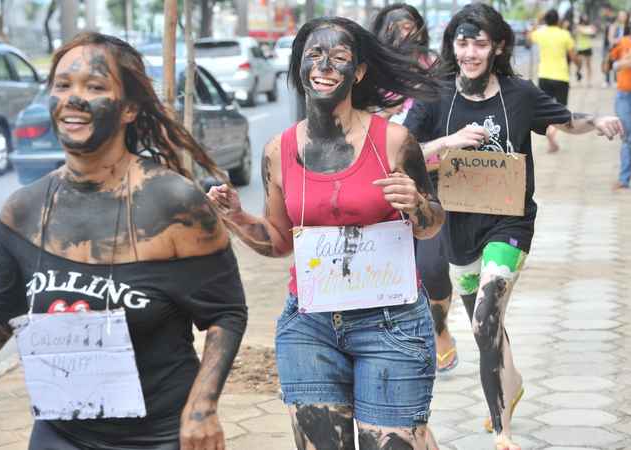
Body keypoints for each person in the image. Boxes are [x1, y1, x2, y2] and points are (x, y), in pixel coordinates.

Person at [0, 32, 248, 450]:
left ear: (129, 108)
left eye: (94, 87)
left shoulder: (174, 205)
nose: (74, 98)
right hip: (61, 433)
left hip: (161, 436)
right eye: (63, 85)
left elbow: (226, 313)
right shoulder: (24, 211)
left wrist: (202, 407)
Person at [209, 16, 444, 450]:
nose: (324, 66)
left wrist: (416, 204)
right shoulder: (277, 151)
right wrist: (238, 219)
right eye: (314, 55)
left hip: (390, 322)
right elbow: (279, 241)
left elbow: (431, 226)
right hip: (310, 325)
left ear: (357, 72)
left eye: (339, 58)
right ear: (299, 64)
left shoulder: (394, 141)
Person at [404, 4, 623, 450]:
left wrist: (596, 120)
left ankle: (501, 430)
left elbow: (564, 119)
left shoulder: (518, 94)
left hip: (510, 222)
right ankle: (512, 381)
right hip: (456, 227)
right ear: (452, 46)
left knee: (486, 315)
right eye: (462, 43)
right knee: (488, 328)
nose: (469, 52)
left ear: (498, 46)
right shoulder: (435, 94)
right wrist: (448, 142)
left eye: (479, 43)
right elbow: (405, 152)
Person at [371, 4, 458, 373]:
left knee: (432, 265)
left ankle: (439, 328)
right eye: (395, 28)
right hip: (379, 183)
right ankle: (394, 338)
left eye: (410, 27)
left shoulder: (436, 71)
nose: (404, 34)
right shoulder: (367, 74)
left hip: (429, 181)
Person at [529, 9, 579, 153]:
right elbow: (573, 55)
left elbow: (529, 37)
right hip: (561, 77)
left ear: (546, 20)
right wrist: (579, 65)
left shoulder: (540, 33)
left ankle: (550, 137)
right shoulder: (565, 34)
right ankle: (552, 131)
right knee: (560, 108)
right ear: (558, 21)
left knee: (545, 108)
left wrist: (537, 22)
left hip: (544, 76)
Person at [608, 24, 631, 189]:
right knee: (627, 136)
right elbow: (613, 65)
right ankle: (624, 178)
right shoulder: (623, 42)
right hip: (624, 95)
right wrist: (625, 60)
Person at [605, 11, 630, 88]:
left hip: (625, 48)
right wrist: (620, 41)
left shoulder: (628, 26)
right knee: (610, 64)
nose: (622, 17)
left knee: (622, 66)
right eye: (621, 16)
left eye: (624, 16)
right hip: (616, 47)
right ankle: (607, 80)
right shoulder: (615, 26)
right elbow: (610, 38)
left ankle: (617, 80)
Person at [575, 14, 598, 86]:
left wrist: (591, 30)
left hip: (588, 47)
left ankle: (589, 81)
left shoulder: (589, 26)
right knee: (579, 65)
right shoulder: (578, 26)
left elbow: (593, 33)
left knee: (588, 65)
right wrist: (590, 30)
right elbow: (586, 32)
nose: (585, 18)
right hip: (580, 48)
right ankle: (579, 79)